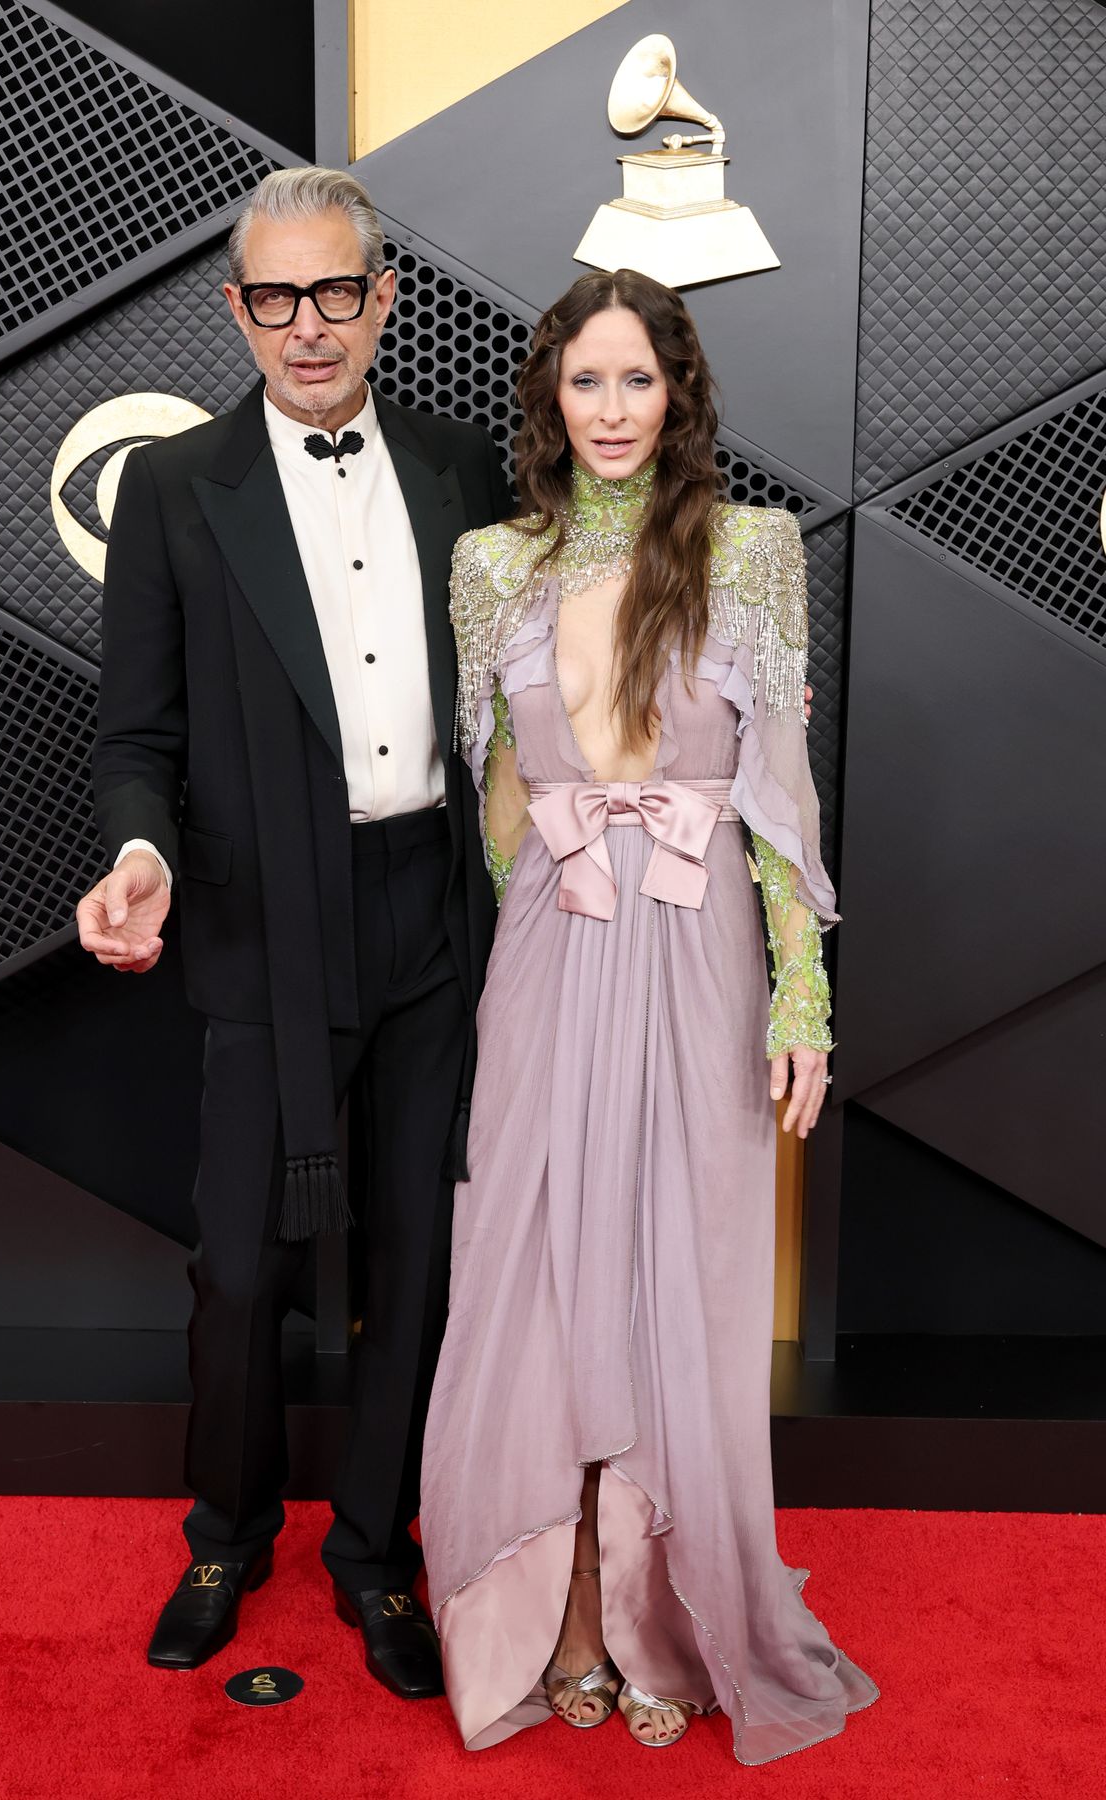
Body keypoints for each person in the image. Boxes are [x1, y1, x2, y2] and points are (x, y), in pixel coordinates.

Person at [419, 270, 878, 1760]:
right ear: (549, 399)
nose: (611, 412)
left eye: (638, 382)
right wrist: (542, 908)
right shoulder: (491, 565)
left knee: (681, 1276)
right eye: (584, 383)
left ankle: (665, 1615)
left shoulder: (750, 549)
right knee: (543, 1278)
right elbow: (496, 802)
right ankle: (563, 1614)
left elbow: (777, 802)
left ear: (678, 396)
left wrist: (799, 994)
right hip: (556, 947)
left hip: (700, 947)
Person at [75, 166, 511, 1695]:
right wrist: (139, 852)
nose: (309, 326)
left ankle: (377, 1555)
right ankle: (227, 1534)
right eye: (277, 296)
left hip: (431, 918)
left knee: (419, 1254)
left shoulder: (467, 472)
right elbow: (138, 731)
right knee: (244, 1271)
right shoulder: (179, 487)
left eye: (338, 292)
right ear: (239, 308)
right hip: (263, 923)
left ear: (385, 298)